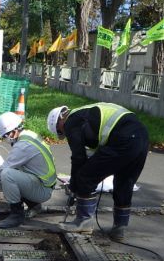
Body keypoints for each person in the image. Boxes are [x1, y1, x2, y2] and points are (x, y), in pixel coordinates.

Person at [46, 102, 149, 241]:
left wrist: (74, 187)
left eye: (60, 132)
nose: (64, 134)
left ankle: (83, 222)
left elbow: (78, 158)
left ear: (59, 121)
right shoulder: (85, 113)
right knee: (124, 182)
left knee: (85, 177)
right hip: (141, 136)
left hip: (123, 137)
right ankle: (119, 228)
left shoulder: (71, 121)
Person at [0, 112, 57, 229]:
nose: (5, 139)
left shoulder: (23, 146)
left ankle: (16, 215)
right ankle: (33, 205)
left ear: (13, 132)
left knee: (7, 175)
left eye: (5, 136)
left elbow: (4, 170)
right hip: (40, 182)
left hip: (43, 190)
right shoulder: (28, 135)